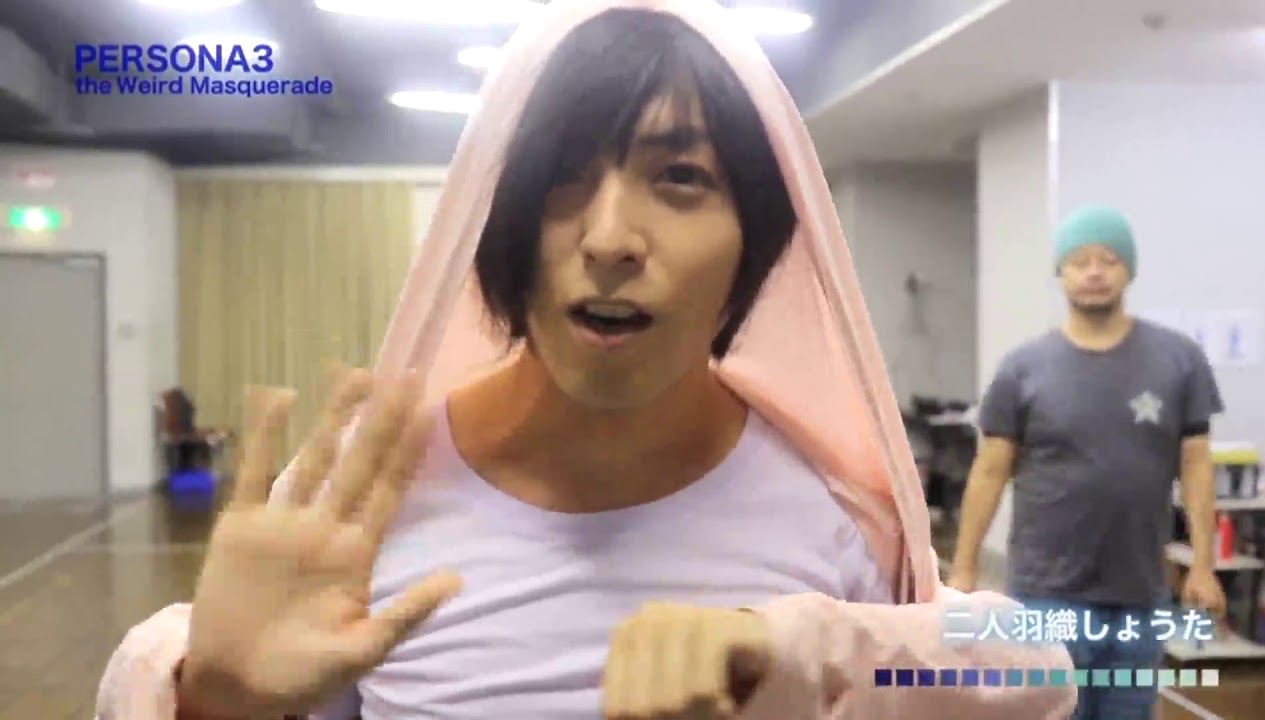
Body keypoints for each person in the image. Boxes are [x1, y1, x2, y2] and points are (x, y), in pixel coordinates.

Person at [96, 2, 1076, 718]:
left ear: (759, 240)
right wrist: (210, 699)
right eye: (561, 177)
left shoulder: (834, 495)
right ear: (497, 224)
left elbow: (1039, 663)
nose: (609, 237)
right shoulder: (362, 497)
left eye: (680, 177)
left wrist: (796, 651)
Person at [947, 205, 1226, 720]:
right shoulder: (1023, 368)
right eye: (1079, 261)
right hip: (1046, 594)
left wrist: (1204, 564)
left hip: (1140, 593)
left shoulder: (1178, 359)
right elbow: (990, 470)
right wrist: (964, 569)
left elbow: (1196, 465)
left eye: (1108, 260)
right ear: (1061, 272)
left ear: (1129, 270)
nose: (1094, 272)